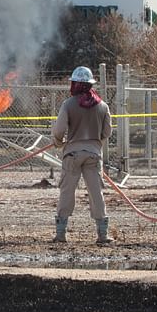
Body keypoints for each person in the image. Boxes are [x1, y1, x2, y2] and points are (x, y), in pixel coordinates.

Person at [51, 66, 114, 244]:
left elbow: (59, 130)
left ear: (75, 84)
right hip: (93, 154)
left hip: (72, 154)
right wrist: (95, 142)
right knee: (96, 193)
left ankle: (61, 234)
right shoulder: (102, 106)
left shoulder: (68, 104)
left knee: (67, 192)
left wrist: (59, 141)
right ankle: (103, 235)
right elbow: (107, 132)